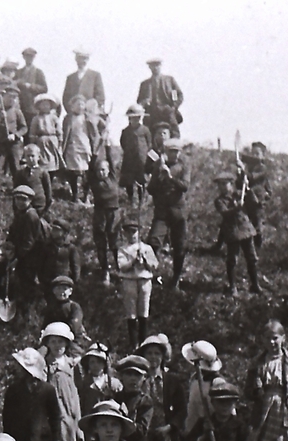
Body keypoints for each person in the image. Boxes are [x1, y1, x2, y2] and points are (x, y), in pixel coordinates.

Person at [146, 137, 188, 288]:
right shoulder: (159, 166)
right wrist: (158, 176)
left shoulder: (183, 167)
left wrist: (170, 177)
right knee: (153, 242)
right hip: (162, 212)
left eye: (177, 152)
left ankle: (175, 280)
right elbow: (150, 189)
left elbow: (184, 186)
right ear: (166, 152)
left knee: (179, 246)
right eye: (171, 152)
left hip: (178, 212)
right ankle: (149, 275)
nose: (174, 155)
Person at [213, 170, 260, 295]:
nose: (222, 187)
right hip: (232, 232)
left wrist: (248, 188)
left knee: (252, 258)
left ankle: (255, 285)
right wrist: (237, 208)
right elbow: (225, 213)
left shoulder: (240, 194)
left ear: (231, 184)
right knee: (232, 259)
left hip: (246, 229)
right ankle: (233, 287)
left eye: (225, 184)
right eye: (220, 185)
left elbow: (255, 203)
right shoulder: (219, 201)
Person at [116, 221, 157, 346]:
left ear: (139, 233)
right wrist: (133, 261)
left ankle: (143, 342)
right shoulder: (123, 249)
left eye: (134, 232)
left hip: (145, 281)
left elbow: (154, 265)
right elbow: (122, 267)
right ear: (125, 233)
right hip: (129, 281)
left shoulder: (146, 248)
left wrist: (144, 260)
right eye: (129, 232)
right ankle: (134, 344)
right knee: (131, 313)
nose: (132, 235)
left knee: (143, 312)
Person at [136, 58, 183, 138]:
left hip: (167, 110)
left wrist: (174, 107)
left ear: (160, 66)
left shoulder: (169, 80)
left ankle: (175, 147)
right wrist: (144, 102)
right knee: (146, 131)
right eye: (152, 66)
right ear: (149, 68)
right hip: (151, 112)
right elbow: (139, 101)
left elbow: (180, 95)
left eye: (157, 65)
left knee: (174, 129)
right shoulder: (145, 84)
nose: (155, 68)